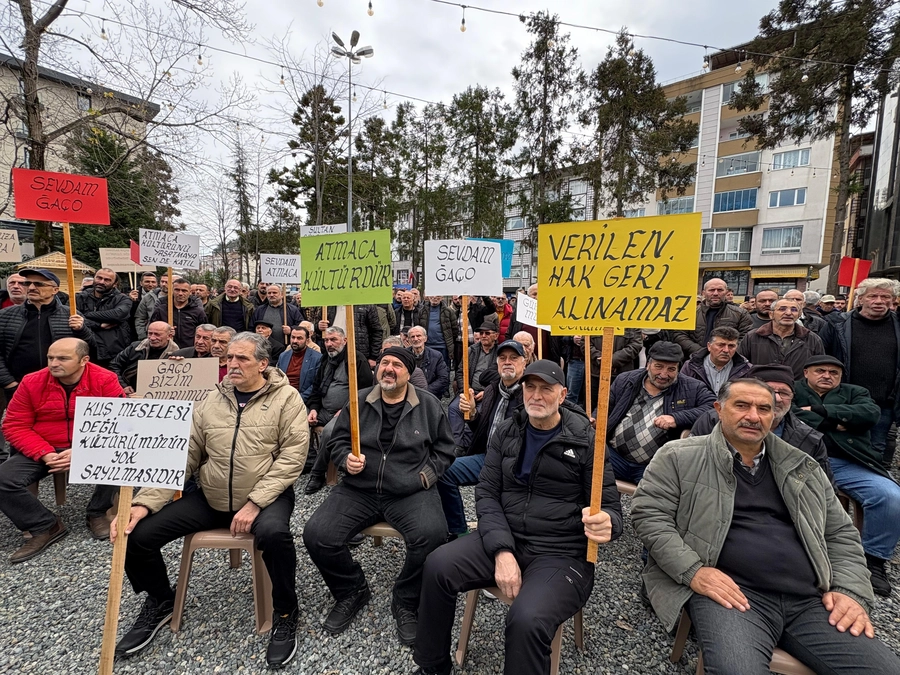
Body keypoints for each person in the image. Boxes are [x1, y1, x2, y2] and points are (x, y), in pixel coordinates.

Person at [632, 378, 900, 674]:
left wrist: (850, 591)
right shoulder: (679, 456)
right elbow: (649, 516)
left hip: (810, 599)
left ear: (774, 416)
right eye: (742, 405)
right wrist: (694, 571)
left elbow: (839, 533)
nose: (753, 416)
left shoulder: (802, 466)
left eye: (763, 409)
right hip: (731, 592)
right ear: (718, 409)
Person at [412, 360, 623, 675]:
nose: (536, 395)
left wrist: (607, 523)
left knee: (527, 619)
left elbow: (610, 508)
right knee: (437, 565)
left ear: (563, 394)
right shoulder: (508, 431)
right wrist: (502, 551)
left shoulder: (587, 440)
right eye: (530, 387)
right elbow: (486, 492)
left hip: (561, 552)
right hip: (505, 535)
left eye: (546, 389)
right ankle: (433, 666)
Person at [112, 332, 309, 668]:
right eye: (230, 357)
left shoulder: (287, 399)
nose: (233, 364)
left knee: (274, 535)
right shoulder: (211, 400)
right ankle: (160, 599)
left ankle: (286, 610)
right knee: (137, 534)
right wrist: (145, 502)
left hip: (265, 496)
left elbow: (292, 457)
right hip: (212, 496)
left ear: (263, 364)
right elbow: (186, 455)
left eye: (242, 358)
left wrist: (255, 503)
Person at [303, 347, 455, 646]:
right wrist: (345, 459)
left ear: (409, 373)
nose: (389, 368)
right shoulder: (358, 401)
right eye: (384, 362)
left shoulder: (428, 404)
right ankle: (352, 590)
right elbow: (337, 440)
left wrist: (424, 476)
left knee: (432, 536)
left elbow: (445, 450)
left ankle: (406, 599)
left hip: (409, 491)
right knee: (317, 534)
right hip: (359, 488)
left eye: (397, 364)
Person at [0, 338, 123, 560]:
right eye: (50, 357)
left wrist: (82, 450)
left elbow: (118, 422)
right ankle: (44, 525)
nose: (54, 363)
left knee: (118, 457)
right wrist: (45, 453)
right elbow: (14, 425)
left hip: (90, 444)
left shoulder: (105, 379)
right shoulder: (31, 381)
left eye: (63, 358)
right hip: (43, 447)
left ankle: (98, 511)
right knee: (3, 479)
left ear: (84, 360)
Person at [793, 355, 900, 596]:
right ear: (806, 372)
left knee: (890, 496)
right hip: (801, 461)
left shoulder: (856, 392)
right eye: (820, 370)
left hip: (848, 463)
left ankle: (873, 560)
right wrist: (838, 422)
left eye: (834, 373)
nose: (827, 376)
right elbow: (788, 415)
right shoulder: (792, 389)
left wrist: (820, 411)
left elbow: (870, 414)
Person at [689, 363, 835, 486]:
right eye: (770, 391)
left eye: (784, 393)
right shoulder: (711, 422)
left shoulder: (808, 438)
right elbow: (691, 471)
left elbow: (824, 489)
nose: (777, 399)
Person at [439, 340, 528, 538]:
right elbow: (481, 430)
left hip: (516, 465)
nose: (507, 362)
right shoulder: (492, 390)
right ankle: (458, 530)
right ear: (497, 363)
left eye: (513, 358)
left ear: (525, 362)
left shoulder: (530, 393)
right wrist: (472, 414)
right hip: (487, 458)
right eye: (502, 358)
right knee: (443, 471)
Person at [605, 341, 716, 484]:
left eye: (671, 369)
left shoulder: (693, 387)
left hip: (655, 465)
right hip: (614, 456)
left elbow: (715, 408)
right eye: (658, 366)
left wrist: (676, 418)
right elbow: (605, 407)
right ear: (648, 365)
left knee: (655, 496)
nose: (664, 374)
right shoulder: (625, 380)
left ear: (678, 369)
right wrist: (595, 420)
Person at [822, 278, 900, 470]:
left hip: (884, 402)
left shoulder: (898, 324)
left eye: (885, 297)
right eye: (873, 296)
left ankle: (873, 481)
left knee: (875, 449)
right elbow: (822, 356)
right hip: (845, 400)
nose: (879, 301)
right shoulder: (838, 324)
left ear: (893, 300)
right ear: (861, 298)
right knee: (839, 445)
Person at [0, 268, 95, 401]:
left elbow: (90, 349)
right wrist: (9, 383)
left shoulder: (71, 315)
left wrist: (81, 330)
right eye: (27, 283)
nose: (31, 288)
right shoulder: (5, 315)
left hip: (60, 386)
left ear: (55, 290)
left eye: (39, 284)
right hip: (17, 386)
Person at [303, 326, 375, 494]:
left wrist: (346, 409)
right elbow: (316, 388)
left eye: (333, 340)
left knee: (329, 432)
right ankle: (308, 460)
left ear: (345, 340)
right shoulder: (325, 359)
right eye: (326, 340)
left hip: (347, 412)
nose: (329, 344)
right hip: (323, 409)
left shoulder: (356, 360)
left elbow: (365, 392)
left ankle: (318, 473)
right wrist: (313, 409)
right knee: (297, 420)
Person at [738, 299, 825, 379]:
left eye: (794, 310)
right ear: (771, 314)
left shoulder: (812, 339)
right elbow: (740, 365)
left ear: (799, 315)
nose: (788, 313)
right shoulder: (753, 336)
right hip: (760, 387)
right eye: (782, 309)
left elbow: (819, 368)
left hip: (798, 388)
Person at [672, 277, 753, 358]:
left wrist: (725, 350)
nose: (715, 293)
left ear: (726, 292)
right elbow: (679, 335)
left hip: (728, 360)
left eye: (720, 290)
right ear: (703, 293)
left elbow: (745, 337)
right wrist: (700, 352)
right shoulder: (689, 313)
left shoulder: (741, 314)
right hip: (695, 359)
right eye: (711, 290)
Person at [450, 321, 499, 452]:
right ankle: (457, 445)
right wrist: (466, 389)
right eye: (481, 333)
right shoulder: (471, 351)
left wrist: (488, 392)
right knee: (454, 409)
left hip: (487, 394)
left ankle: (470, 446)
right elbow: (460, 373)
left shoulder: (500, 353)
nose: (483, 336)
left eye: (487, 333)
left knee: (480, 413)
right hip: (469, 390)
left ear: (496, 335)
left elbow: (500, 377)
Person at [109, 321, 180, 393]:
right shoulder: (135, 347)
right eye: (150, 333)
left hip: (160, 394)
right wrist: (123, 386)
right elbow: (114, 365)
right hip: (131, 393)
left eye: (157, 334)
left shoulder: (177, 354)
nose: (152, 338)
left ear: (169, 336)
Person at [680, 326, 752, 394]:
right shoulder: (690, 367)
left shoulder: (746, 368)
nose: (726, 350)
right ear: (709, 346)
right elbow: (682, 392)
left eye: (731, 346)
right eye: (721, 345)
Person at [315, 304, 383, 367]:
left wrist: (373, 357)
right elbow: (318, 329)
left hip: (358, 354)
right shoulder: (327, 305)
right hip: (331, 354)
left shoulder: (366, 305)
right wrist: (318, 327)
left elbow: (376, 331)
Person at [149, 278, 207, 349]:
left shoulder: (198, 312)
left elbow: (204, 332)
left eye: (184, 291)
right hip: (166, 350)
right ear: (172, 290)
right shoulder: (161, 310)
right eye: (177, 290)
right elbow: (151, 330)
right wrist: (166, 332)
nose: (180, 293)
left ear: (190, 292)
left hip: (189, 350)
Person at [276, 325, 322, 405]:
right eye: (293, 337)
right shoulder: (283, 356)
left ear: (307, 340)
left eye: (299, 338)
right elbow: (277, 379)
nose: (295, 341)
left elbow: (316, 385)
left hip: (302, 399)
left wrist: (298, 399)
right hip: (281, 397)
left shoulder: (317, 358)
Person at [252, 285, 301, 351]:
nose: (271, 295)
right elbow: (251, 327)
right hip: (263, 348)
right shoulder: (259, 310)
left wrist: (291, 329)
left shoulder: (292, 310)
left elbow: (301, 326)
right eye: (269, 293)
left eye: (274, 293)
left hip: (286, 347)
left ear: (282, 294)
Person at [407, 325, 450, 399]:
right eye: (412, 337)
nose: (416, 339)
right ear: (409, 340)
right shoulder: (403, 355)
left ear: (425, 338)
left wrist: (425, 392)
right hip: (409, 394)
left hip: (430, 394)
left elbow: (443, 378)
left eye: (418, 336)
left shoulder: (436, 355)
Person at [423, 295, 456, 369]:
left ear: (442, 297)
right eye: (432, 295)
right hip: (427, 346)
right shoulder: (422, 311)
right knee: (428, 369)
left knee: (443, 369)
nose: (434, 297)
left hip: (443, 346)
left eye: (438, 295)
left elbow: (454, 329)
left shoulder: (449, 311)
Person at [134, 274, 168, 340]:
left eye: (167, 282)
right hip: (151, 336)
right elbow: (140, 318)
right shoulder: (148, 297)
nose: (164, 284)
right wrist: (142, 336)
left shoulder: (178, 299)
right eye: (162, 281)